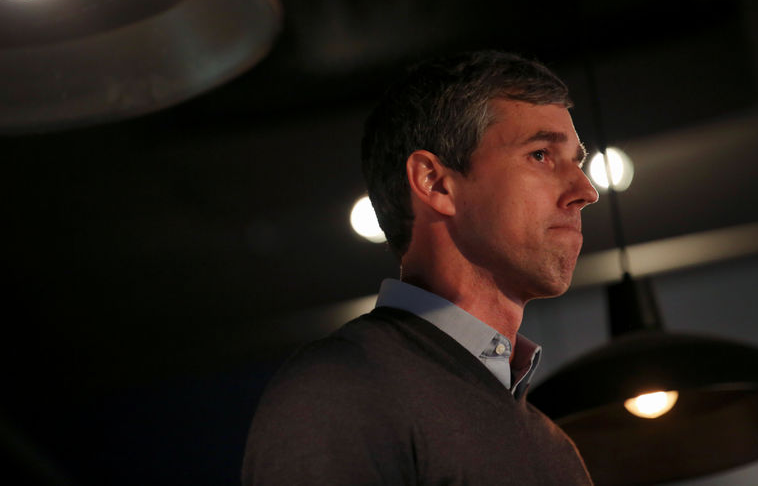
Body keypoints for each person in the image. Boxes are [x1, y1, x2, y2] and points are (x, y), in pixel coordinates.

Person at [242, 50, 599, 485]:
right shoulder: (342, 387)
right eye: (541, 155)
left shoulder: (555, 447)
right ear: (435, 182)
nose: (586, 190)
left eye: (577, 162)